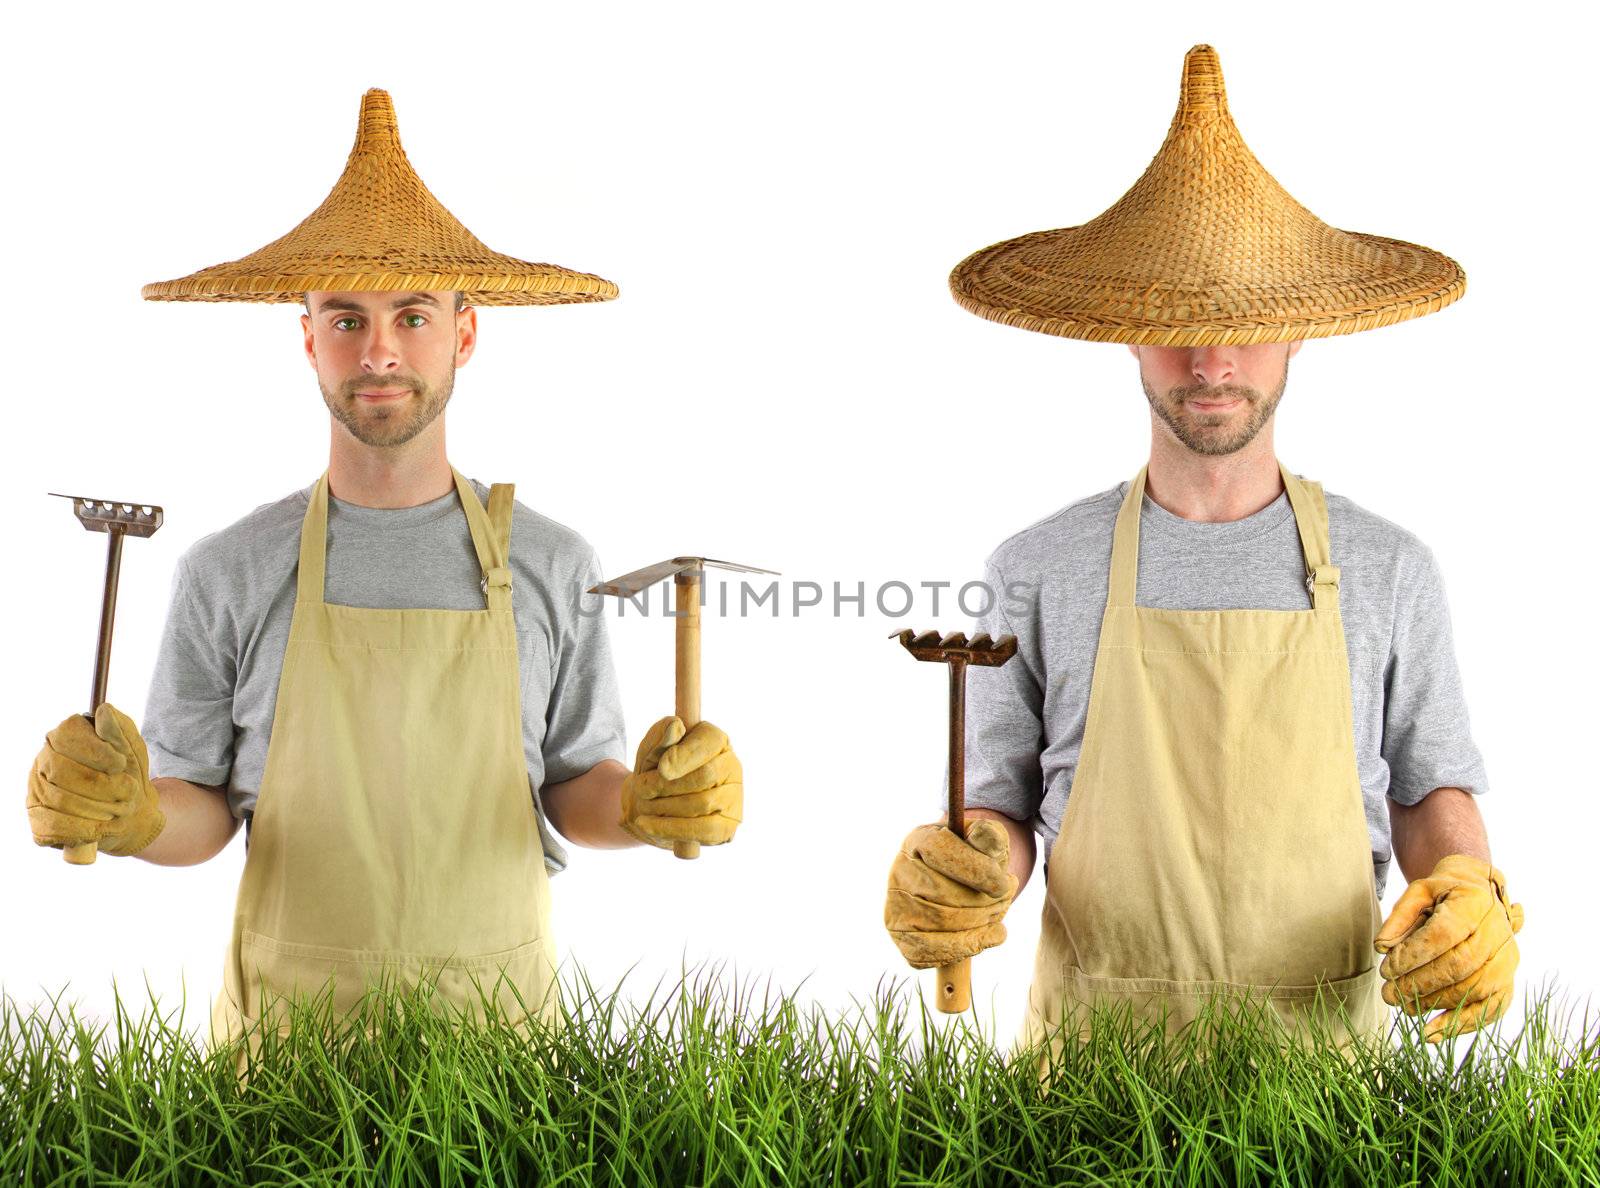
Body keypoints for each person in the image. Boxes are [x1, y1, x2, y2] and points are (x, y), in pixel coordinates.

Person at [25, 90, 743, 1062]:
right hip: (286, 1047)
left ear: (466, 333)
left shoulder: (550, 562)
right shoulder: (229, 570)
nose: (380, 351)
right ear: (308, 338)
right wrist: (135, 813)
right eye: (347, 318)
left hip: (501, 1048)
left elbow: (574, 784)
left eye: (411, 314)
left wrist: (644, 806)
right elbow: (198, 815)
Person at [884, 45, 1523, 1055]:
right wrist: (960, 876)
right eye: (1177, 324)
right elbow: (999, 811)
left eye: (1246, 326)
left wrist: (1463, 885)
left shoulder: (1389, 568)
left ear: (1301, 334)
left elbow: (1428, 787)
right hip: (1090, 1067)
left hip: (1319, 1076)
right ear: (1125, 336)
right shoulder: (1037, 566)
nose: (1211, 360)